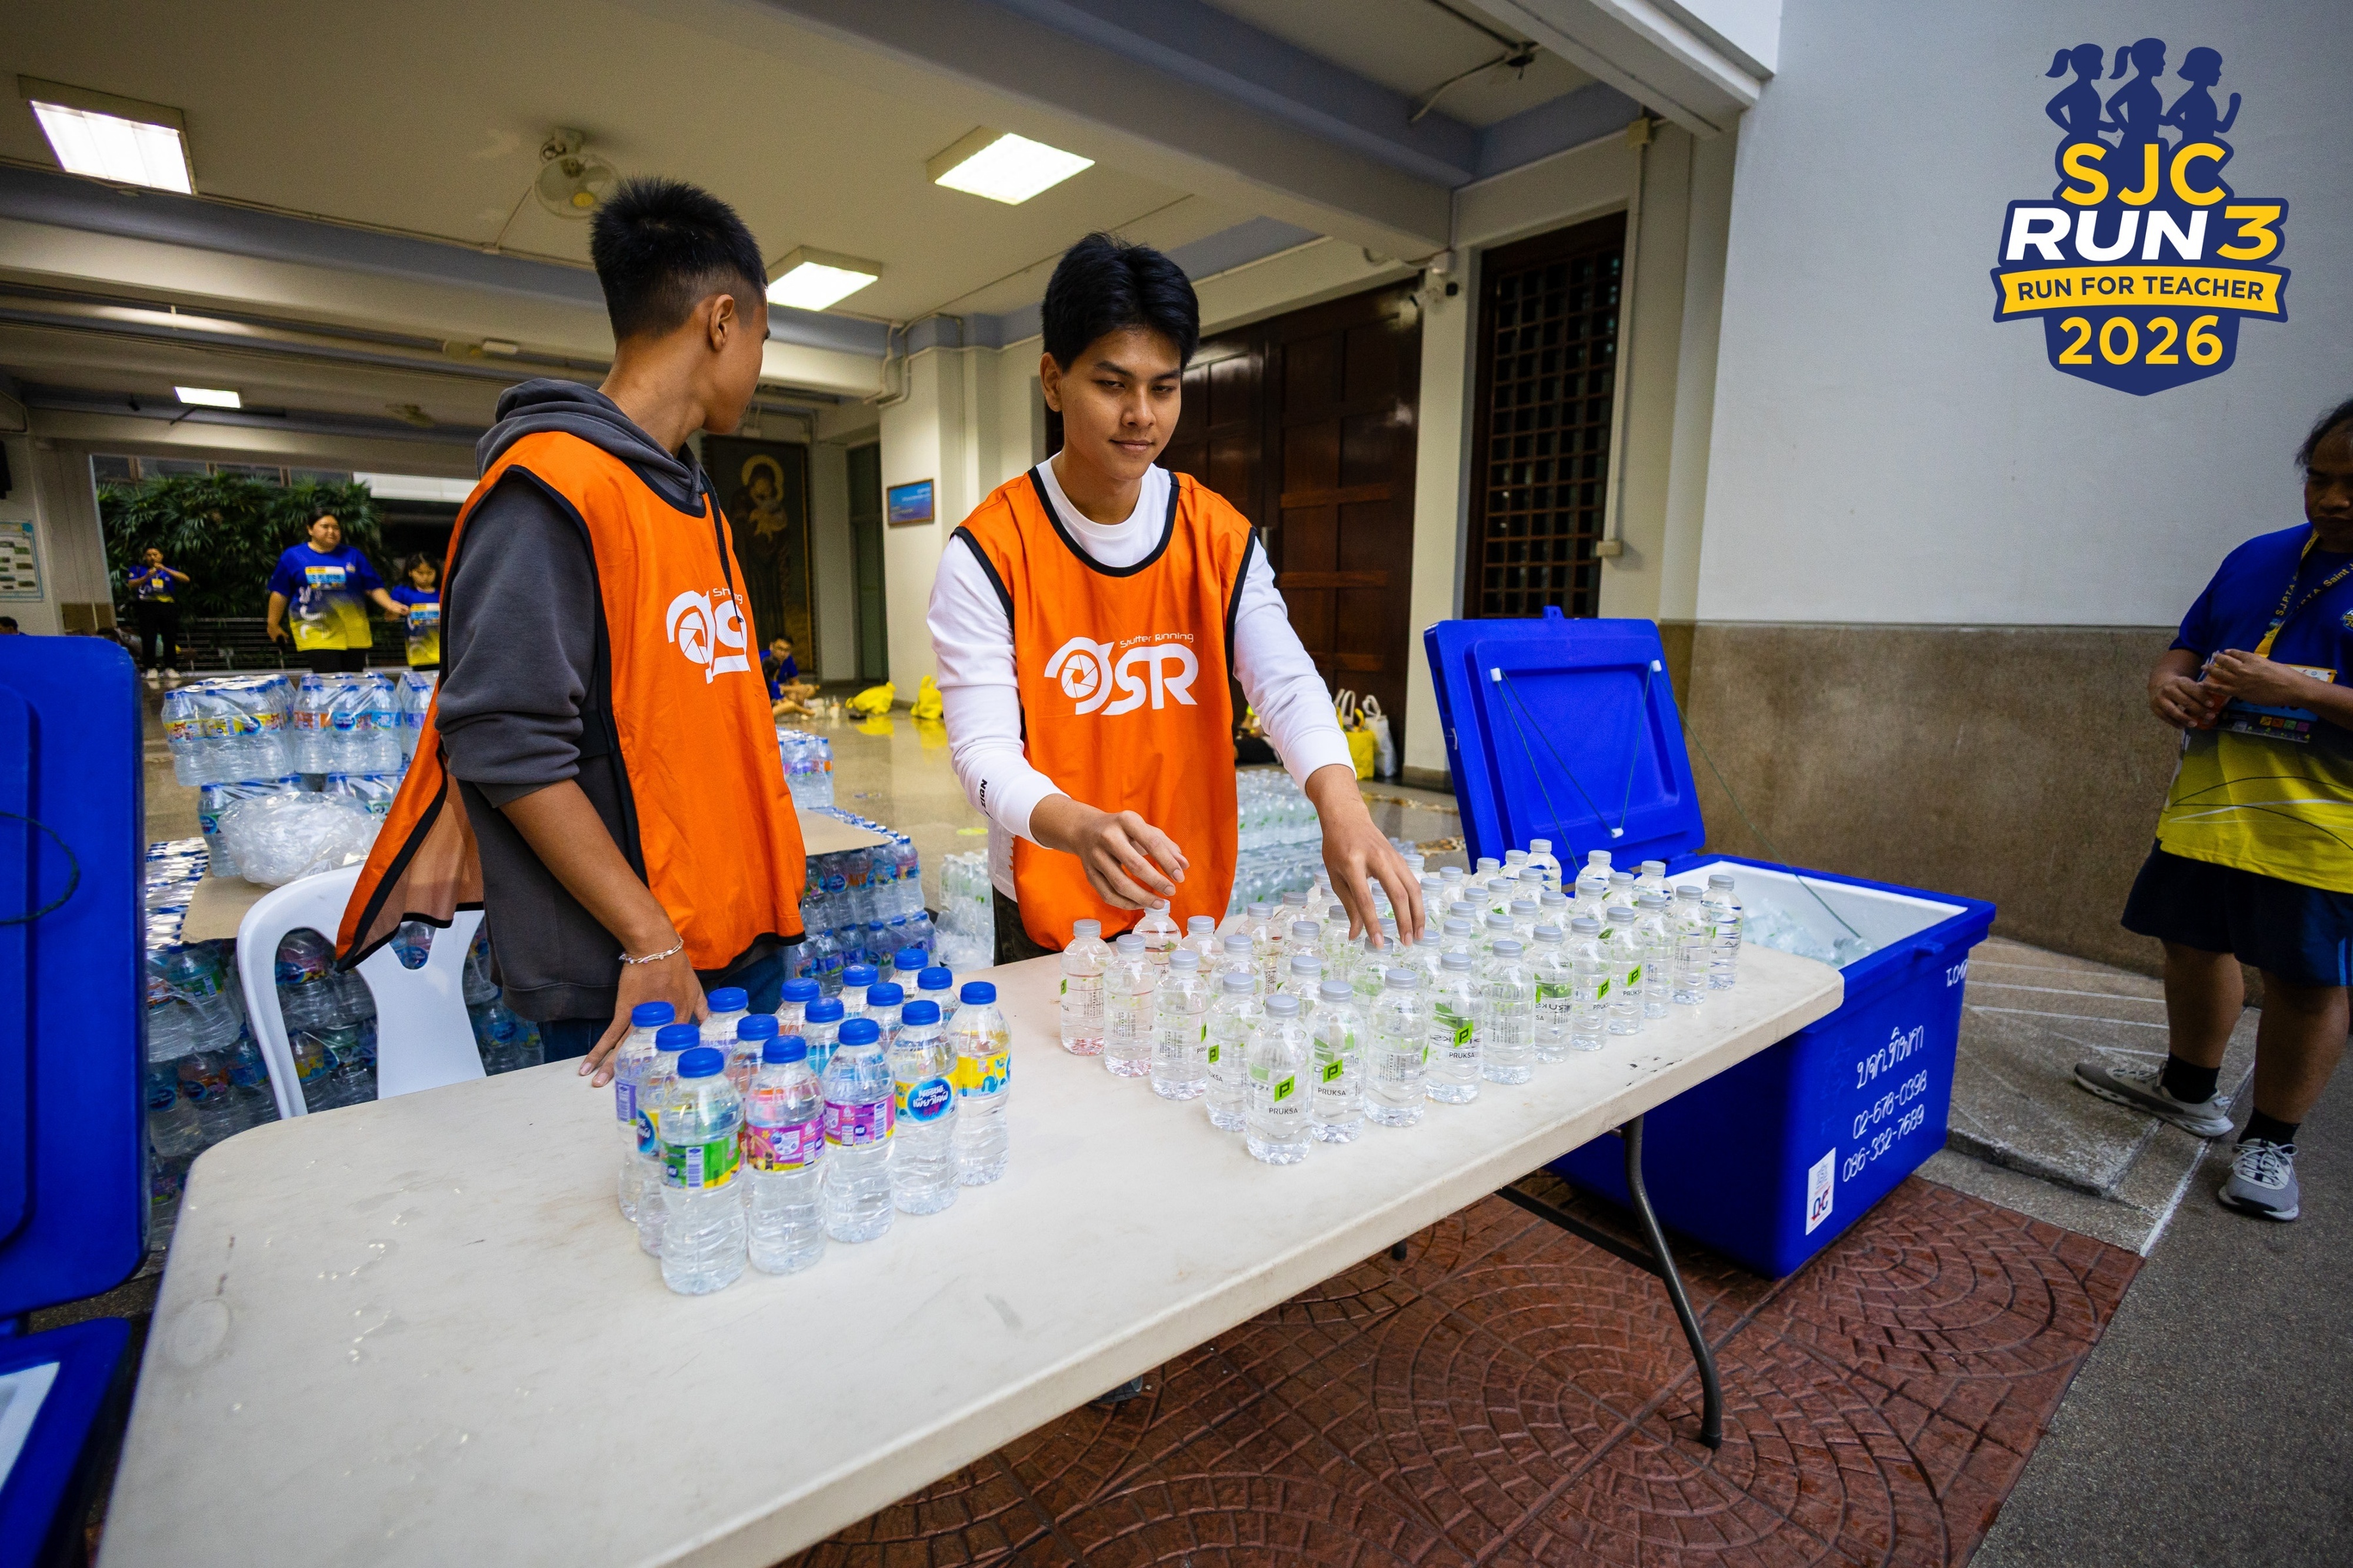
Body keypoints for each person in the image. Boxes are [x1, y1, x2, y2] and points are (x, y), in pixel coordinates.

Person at [336, 177, 806, 1085]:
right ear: (721, 321)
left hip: (734, 936)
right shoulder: (548, 492)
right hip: (633, 971)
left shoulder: (689, 496)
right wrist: (647, 935)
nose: (759, 363)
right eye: (762, 337)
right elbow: (504, 742)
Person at [928, 233, 1423, 965]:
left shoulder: (1216, 535)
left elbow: (1285, 683)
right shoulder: (988, 552)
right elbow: (983, 752)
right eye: (1112, 385)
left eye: (1163, 388)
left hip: (1185, 900)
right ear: (1053, 381)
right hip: (1049, 897)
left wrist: (1342, 805)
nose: (1142, 414)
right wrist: (1080, 827)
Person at [2077, 396, 2353, 1222]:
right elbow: (2187, 644)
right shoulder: (2258, 556)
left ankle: (2271, 1140)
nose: (2333, 499)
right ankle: (2188, 1085)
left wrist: (2297, 688)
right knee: (2192, 942)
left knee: (2306, 979)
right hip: (2212, 803)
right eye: (2320, 478)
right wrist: (2167, 683)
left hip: (2324, 827)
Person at [265, 508, 401, 672]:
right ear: (310, 529)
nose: (332, 531)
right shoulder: (293, 556)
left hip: (354, 632)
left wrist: (390, 605)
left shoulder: (353, 555)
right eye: (325, 526)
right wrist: (273, 624)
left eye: (336, 528)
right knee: (330, 680)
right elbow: (280, 593)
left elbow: (373, 587)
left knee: (353, 682)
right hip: (315, 629)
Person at [125, 545, 190, 682]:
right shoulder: (138, 569)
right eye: (149, 555)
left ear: (161, 556)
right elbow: (131, 584)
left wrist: (165, 569)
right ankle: (151, 668)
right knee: (148, 638)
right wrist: (146, 577)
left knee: (169, 637)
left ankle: (171, 668)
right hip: (147, 606)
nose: (152, 557)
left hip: (167, 606)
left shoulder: (168, 569)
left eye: (155, 554)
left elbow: (185, 579)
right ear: (145, 557)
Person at [386, 553, 443, 671]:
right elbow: (389, 618)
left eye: (430, 573)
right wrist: (394, 610)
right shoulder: (402, 592)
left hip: (443, 651)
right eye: (420, 573)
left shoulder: (444, 592)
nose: (425, 577)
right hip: (418, 651)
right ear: (410, 572)